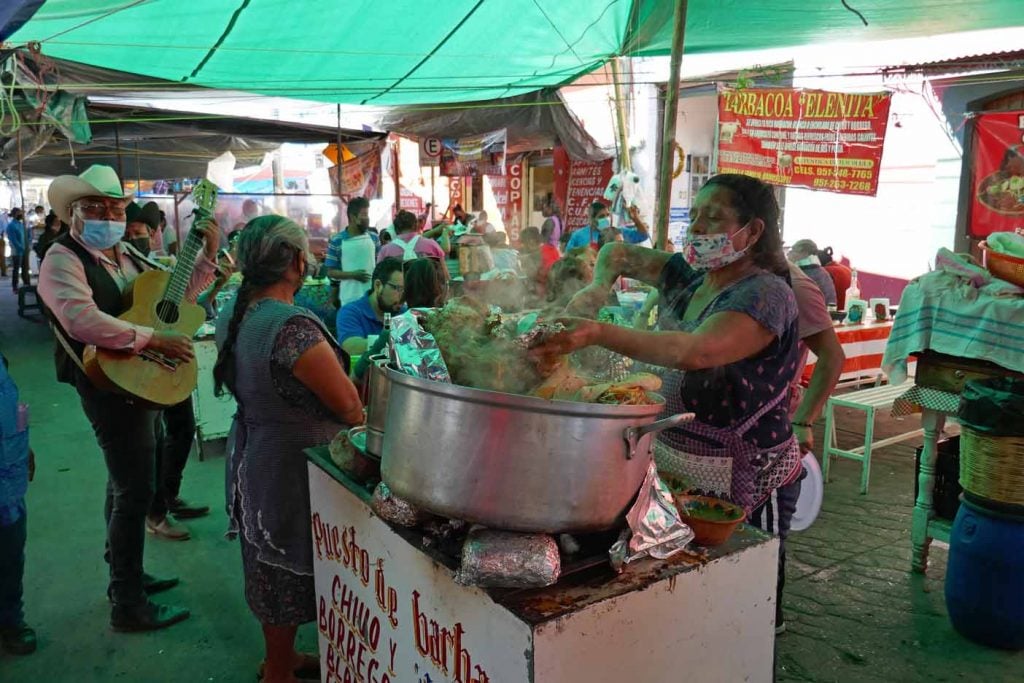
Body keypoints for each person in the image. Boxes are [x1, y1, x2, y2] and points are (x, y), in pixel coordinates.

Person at [540, 173, 803, 636]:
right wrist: (600, 286)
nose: (698, 226)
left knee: (746, 599)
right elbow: (616, 252)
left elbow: (695, 351)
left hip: (747, 475)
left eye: (714, 217)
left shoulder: (766, 294)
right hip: (675, 463)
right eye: (696, 214)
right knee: (690, 597)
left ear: (754, 231)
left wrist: (598, 331)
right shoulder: (689, 275)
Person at [38, 164, 219, 632]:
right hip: (104, 384)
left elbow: (174, 299)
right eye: (94, 207)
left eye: (115, 207)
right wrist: (151, 340)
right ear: (71, 213)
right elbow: (81, 320)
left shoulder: (127, 255)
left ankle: (127, 575)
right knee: (134, 489)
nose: (107, 216)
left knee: (124, 482)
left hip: (139, 381)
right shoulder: (63, 259)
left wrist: (208, 252)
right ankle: (128, 602)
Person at [213, 216, 363, 683]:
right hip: (291, 466)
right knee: (286, 569)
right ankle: (279, 669)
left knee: (265, 564)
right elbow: (351, 410)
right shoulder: (293, 329)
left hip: (253, 456)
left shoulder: (235, 313)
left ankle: (281, 659)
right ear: (297, 261)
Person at [352, 257, 448, 381]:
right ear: (446, 289)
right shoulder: (464, 326)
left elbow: (356, 376)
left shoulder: (396, 330)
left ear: (406, 292)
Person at [788, 264, 845, 455]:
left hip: (771, 422)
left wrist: (803, 421)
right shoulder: (715, 277)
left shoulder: (795, 286)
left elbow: (832, 356)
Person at [0, 353, 36, 655]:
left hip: (7, 469)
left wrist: (24, 443)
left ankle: (11, 621)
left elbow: (9, 402)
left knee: (11, 548)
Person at [335, 257, 405, 358]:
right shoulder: (351, 312)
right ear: (378, 285)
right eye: (399, 289)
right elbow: (351, 347)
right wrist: (396, 342)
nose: (403, 297)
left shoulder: (404, 312)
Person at [324, 197, 379, 309]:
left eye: (367, 214)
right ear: (353, 217)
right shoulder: (337, 240)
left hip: (372, 297)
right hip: (348, 298)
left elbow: (380, 265)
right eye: (364, 214)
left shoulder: (374, 238)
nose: (367, 218)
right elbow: (331, 272)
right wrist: (353, 275)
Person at [377, 210, 448, 268]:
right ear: (416, 225)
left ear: (395, 229)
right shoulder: (432, 246)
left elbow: (379, 276)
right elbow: (445, 276)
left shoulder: (385, 251)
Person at [787, 239, 837, 307]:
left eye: (792, 251)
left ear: (804, 253)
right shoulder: (822, 273)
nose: (788, 254)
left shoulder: (802, 274)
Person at [519, 226, 560, 298]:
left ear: (531, 242)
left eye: (524, 243)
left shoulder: (537, 254)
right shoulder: (552, 249)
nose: (524, 247)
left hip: (546, 292)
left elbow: (534, 274)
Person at [6, 209, 29, 292]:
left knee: (25, 268)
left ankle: (26, 284)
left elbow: (26, 235)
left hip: (24, 250)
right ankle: (15, 286)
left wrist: (27, 245)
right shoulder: (11, 226)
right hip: (17, 251)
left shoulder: (21, 224)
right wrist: (21, 248)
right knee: (16, 269)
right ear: (15, 214)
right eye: (20, 213)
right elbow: (13, 240)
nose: (22, 215)